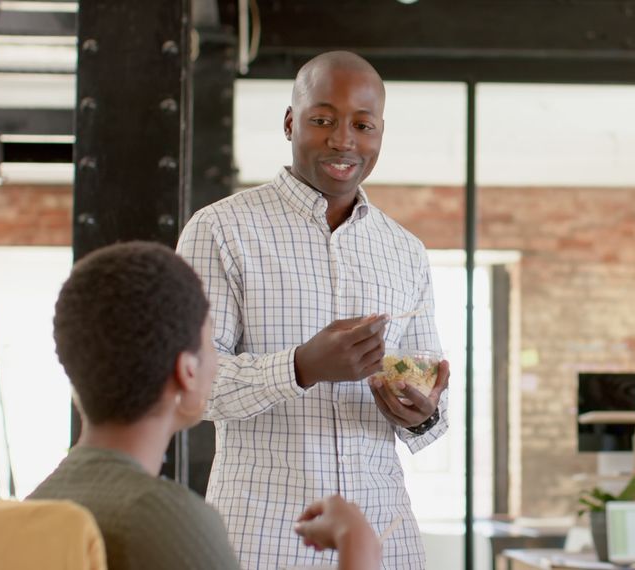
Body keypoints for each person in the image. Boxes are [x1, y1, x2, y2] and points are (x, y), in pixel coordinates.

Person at [177, 50, 449, 569]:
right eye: (322, 120)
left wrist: (422, 412)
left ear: (380, 133)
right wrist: (300, 367)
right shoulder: (221, 231)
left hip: (384, 537)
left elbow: (430, 400)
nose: (344, 140)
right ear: (290, 122)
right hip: (261, 539)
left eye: (362, 125)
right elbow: (191, 388)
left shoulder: (405, 250)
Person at [29, 241, 237, 570]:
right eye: (210, 343)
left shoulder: (38, 504)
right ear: (187, 371)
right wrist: (350, 541)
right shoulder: (166, 518)